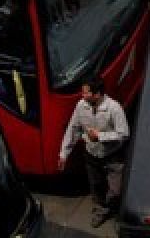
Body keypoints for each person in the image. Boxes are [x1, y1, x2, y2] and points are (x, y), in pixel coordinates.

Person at [58, 78, 130, 227]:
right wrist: (63, 154)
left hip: (112, 156)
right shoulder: (81, 106)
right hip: (91, 155)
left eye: (86, 92)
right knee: (96, 186)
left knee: (116, 191)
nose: (82, 95)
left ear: (97, 94)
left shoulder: (114, 108)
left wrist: (100, 136)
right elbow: (73, 129)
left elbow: (123, 134)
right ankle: (100, 210)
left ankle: (113, 208)